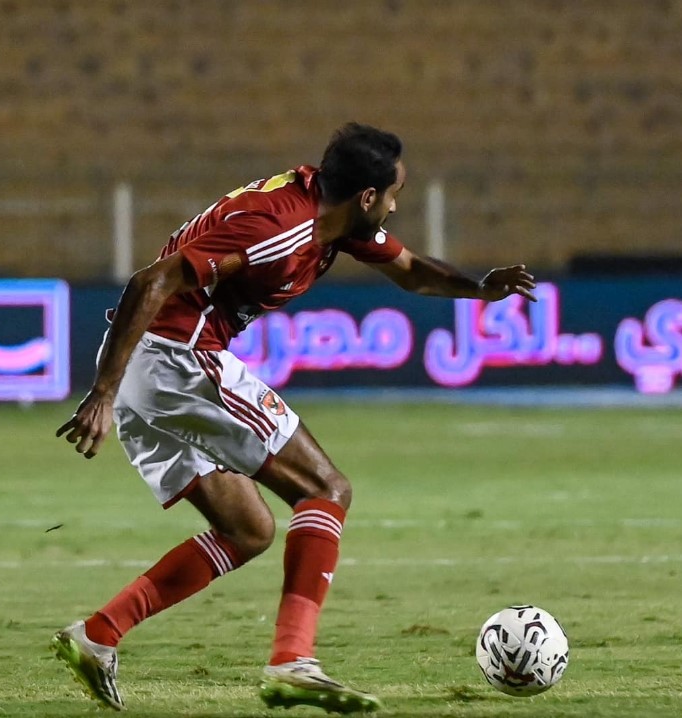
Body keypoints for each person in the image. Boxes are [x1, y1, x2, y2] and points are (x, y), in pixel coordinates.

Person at [54, 123, 536, 713]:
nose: (395, 205)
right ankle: (293, 661)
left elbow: (411, 270)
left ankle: (99, 634)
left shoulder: (333, 219)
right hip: (173, 359)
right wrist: (102, 393)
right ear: (366, 196)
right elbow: (151, 281)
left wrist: (481, 288)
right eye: (394, 194)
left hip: (145, 365)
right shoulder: (281, 229)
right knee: (326, 489)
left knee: (247, 530)